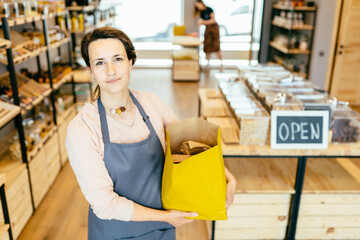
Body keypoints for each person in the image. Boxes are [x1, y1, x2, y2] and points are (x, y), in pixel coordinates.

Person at [65, 27, 236, 240]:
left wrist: (226, 174)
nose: (110, 70)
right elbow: (104, 204)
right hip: (116, 233)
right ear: (90, 70)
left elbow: (186, 148)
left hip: (162, 230)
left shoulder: (151, 103)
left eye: (118, 59)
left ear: (131, 62)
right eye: (100, 62)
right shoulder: (83, 128)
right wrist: (165, 217)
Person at [194, 0, 223, 71]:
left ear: (201, 3)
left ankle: (221, 64)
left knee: (216, 46)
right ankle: (208, 64)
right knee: (207, 46)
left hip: (214, 29)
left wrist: (203, 22)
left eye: (198, 5)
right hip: (207, 30)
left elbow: (213, 20)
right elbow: (201, 21)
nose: (197, 7)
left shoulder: (209, 9)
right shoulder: (201, 12)